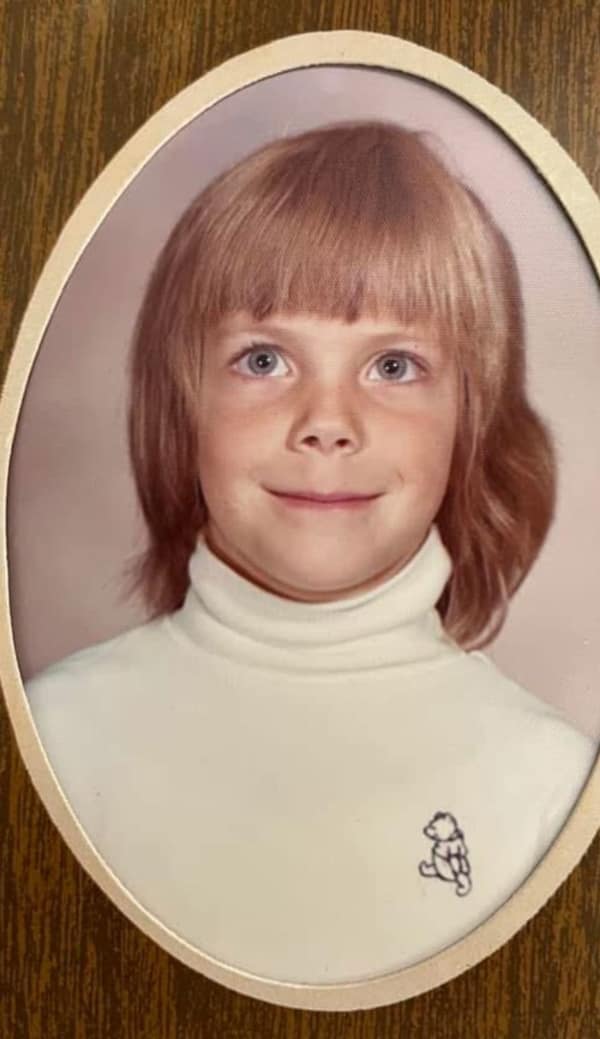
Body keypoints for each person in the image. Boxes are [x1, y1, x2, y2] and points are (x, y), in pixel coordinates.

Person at [25, 120, 597, 985]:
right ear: (180, 406)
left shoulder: (553, 788)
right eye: (264, 358)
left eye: (395, 367)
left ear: (471, 421)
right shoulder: (52, 743)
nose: (327, 422)